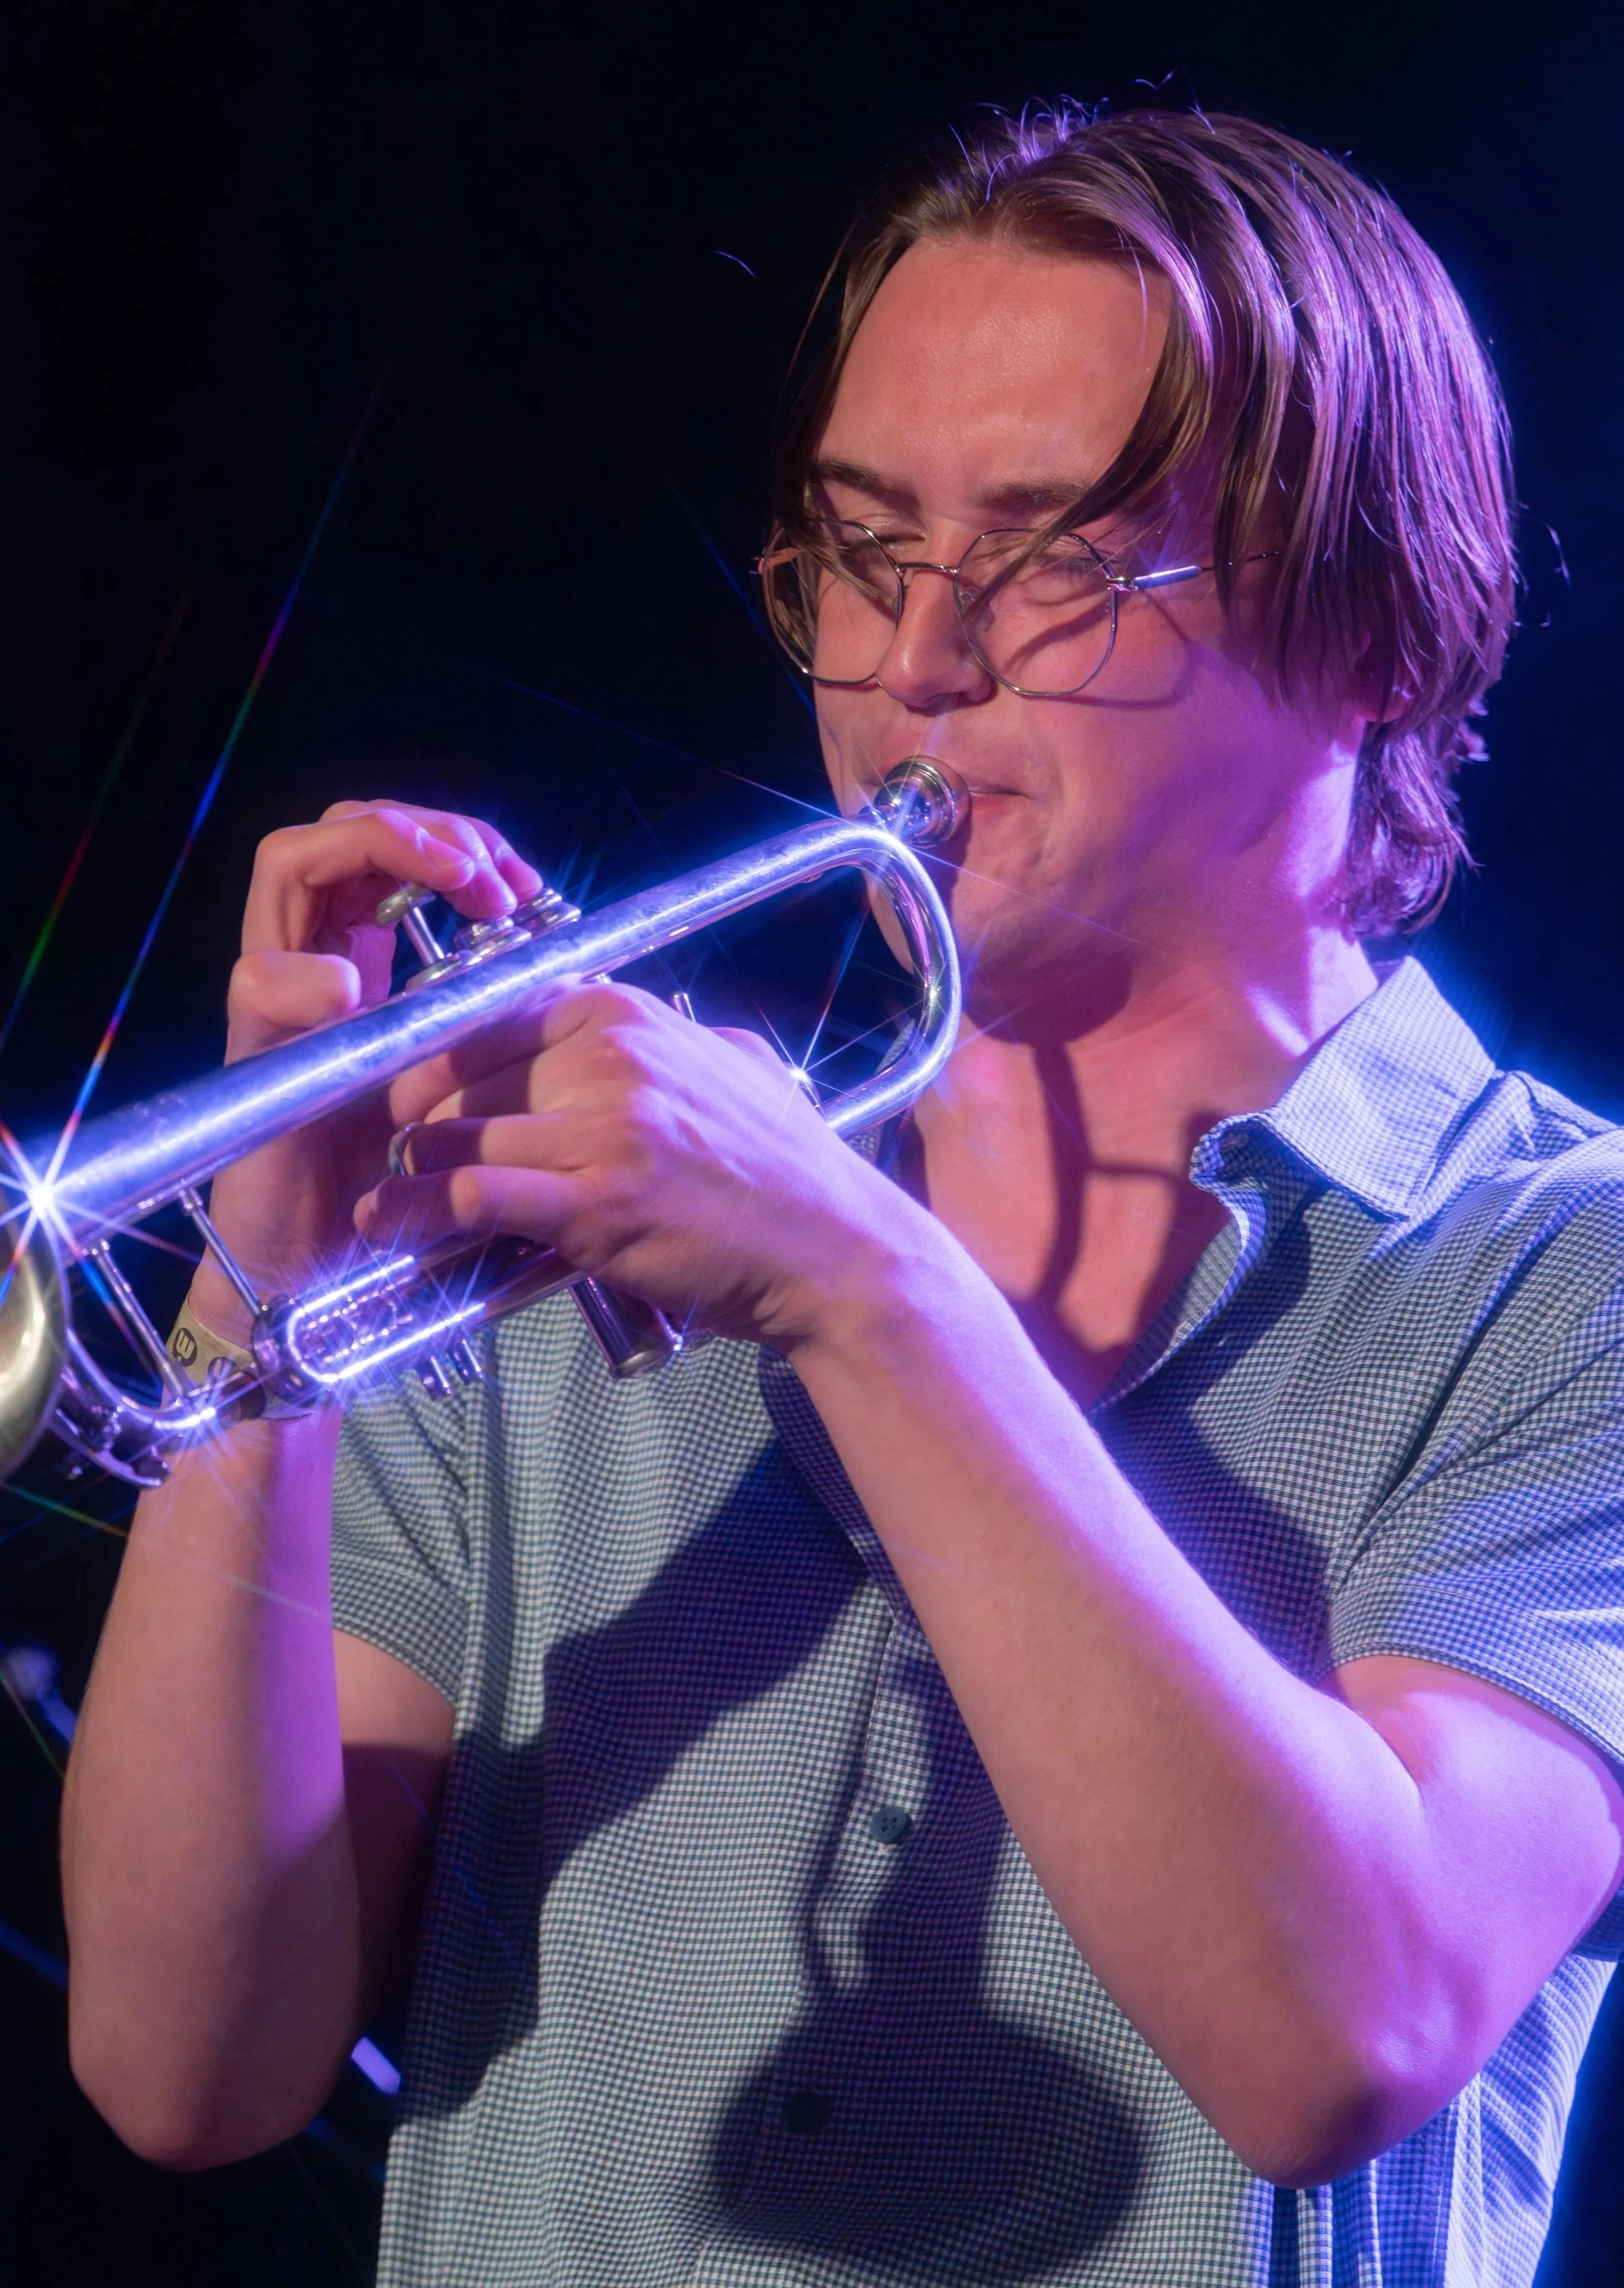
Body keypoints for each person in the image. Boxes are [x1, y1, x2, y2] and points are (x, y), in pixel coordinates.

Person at [60, 103, 1624, 2288]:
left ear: (1370, 634)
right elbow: (180, 2064)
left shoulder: (1567, 1275)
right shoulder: (572, 1207)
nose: (913, 663)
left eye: (1055, 556)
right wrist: (267, 1283)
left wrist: (858, 1287)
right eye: (864, 548)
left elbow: (1341, 2024)